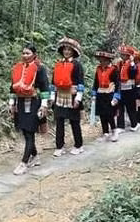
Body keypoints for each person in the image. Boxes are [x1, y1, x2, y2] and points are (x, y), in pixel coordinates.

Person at [9, 44, 50, 175]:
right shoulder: (17, 68)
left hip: (34, 102)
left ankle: (24, 163)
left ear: (34, 54)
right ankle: (35, 156)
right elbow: (12, 87)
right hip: (20, 102)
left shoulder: (39, 69)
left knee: (30, 131)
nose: (25, 55)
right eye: (23, 53)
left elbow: (44, 87)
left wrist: (44, 104)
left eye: (28, 53)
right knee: (25, 131)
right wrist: (11, 102)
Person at [51, 37, 85, 156]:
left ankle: (78, 145)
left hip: (72, 95)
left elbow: (80, 83)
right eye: (65, 49)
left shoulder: (77, 65)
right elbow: (53, 82)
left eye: (69, 50)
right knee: (59, 121)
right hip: (60, 95)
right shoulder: (58, 64)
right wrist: (52, 96)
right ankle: (59, 146)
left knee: (74, 121)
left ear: (73, 52)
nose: (66, 51)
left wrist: (78, 98)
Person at [91, 48, 121, 142]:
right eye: (101, 60)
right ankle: (105, 133)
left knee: (110, 114)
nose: (102, 62)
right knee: (102, 114)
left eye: (104, 60)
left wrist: (116, 96)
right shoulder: (98, 69)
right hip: (100, 93)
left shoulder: (114, 70)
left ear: (109, 60)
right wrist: (94, 94)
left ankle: (114, 131)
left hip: (110, 93)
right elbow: (96, 82)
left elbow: (117, 84)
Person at [115, 45, 139, 132]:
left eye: (125, 55)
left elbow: (134, 73)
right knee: (120, 107)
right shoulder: (119, 64)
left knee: (130, 107)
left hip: (130, 89)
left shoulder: (132, 64)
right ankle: (120, 126)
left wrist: (132, 62)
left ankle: (134, 124)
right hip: (121, 88)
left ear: (129, 56)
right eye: (122, 54)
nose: (122, 56)